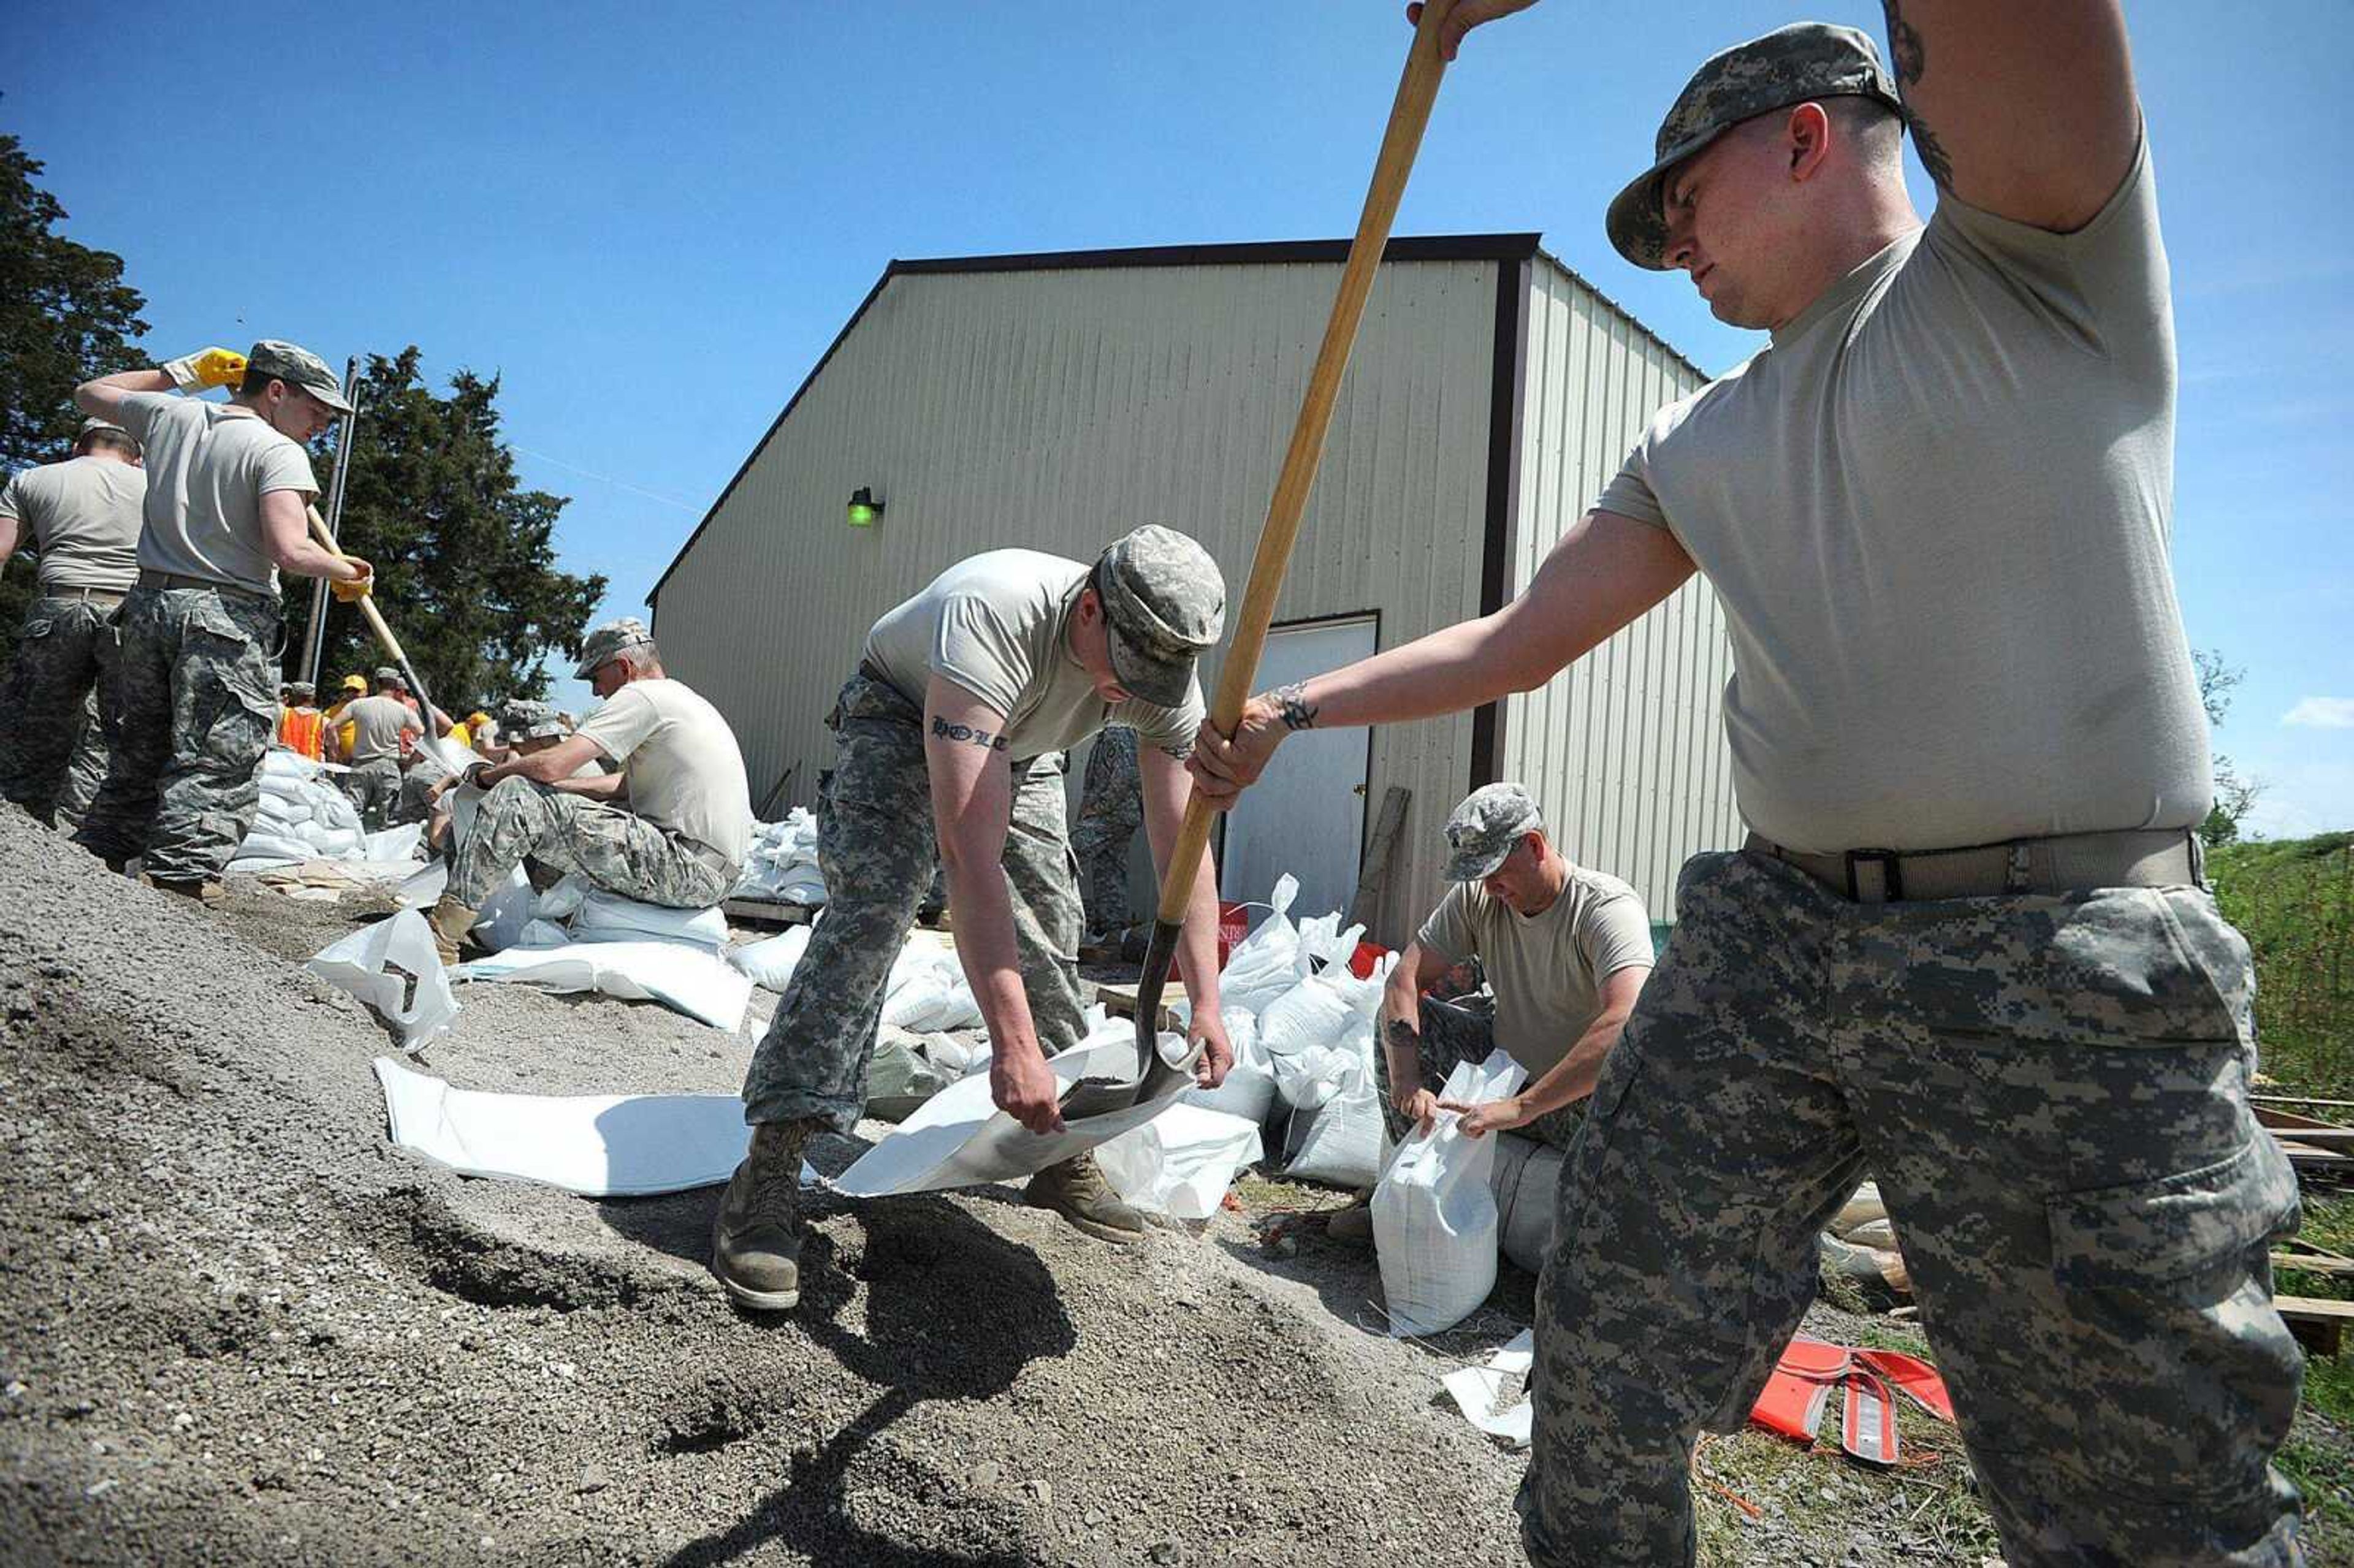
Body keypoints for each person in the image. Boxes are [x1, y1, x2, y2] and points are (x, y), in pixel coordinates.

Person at [1194, 7, 2300, 1561]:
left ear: (1802, 134)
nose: (1671, 250)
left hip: (2056, 953)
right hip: (1776, 941)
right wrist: (1290, 706)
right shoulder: (1696, 436)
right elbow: (1519, 636)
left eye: (1682, 203)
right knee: (1604, 1345)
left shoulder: (2036, 263)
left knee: (2133, 1496)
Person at [711, 528, 1238, 1312]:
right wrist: (1010, 1045)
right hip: (905, 711)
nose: (1128, 695)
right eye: (1123, 675)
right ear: (1090, 610)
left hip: (1025, 743)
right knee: (874, 912)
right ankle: (772, 1165)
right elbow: (968, 858)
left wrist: (1205, 999)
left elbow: (1183, 845)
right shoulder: (991, 612)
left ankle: (1060, 1148)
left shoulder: (1165, 677)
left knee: (1054, 930)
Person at [70, 341, 371, 902]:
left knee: (139, 746)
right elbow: (289, 549)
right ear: (277, 391)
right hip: (225, 617)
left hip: (148, 607)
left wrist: (180, 374)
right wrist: (346, 569)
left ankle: (101, 857)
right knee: (219, 754)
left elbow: (89, 393)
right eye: (316, 412)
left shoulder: (171, 414)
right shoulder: (278, 452)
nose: (320, 427)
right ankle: (179, 876)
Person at [424, 618, 752, 961]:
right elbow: (624, 785)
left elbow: (552, 765)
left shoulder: (642, 695)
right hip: (711, 871)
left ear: (624, 667)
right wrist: (562, 789)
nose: (596, 692)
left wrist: (486, 777)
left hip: (686, 867)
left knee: (516, 796)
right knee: (544, 802)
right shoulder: (683, 699)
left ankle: (440, 940)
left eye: (597, 678)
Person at [1376, 783, 1652, 1154]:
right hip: (1506, 1073)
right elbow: (1403, 980)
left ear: (1535, 846)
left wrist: (1523, 1107)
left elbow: (1627, 1019)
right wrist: (1407, 1082)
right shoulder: (1478, 898)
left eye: (1496, 871)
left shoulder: (1604, 908)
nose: (1490, 888)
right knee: (1401, 1022)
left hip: (1572, 1097)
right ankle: (1407, 1191)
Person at [0, 417, 146, 827]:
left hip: (58, 606)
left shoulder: (32, 479)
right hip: (128, 612)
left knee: (34, 726)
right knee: (120, 730)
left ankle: (23, 826)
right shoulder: (156, 486)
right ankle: (96, 837)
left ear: (78, 446)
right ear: (136, 455)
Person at [1072, 724, 1145, 942]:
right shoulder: (1115, 732)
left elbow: (1125, 776)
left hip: (1112, 815)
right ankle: (1111, 933)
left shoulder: (1116, 732)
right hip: (1122, 815)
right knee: (1110, 870)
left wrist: (1100, 806)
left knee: (1065, 857)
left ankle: (1047, 921)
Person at [338, 675, 417, 831]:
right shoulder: (403, 710)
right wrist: (411, 762)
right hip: (388, 766)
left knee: (352, 815)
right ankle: (382, 852)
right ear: (396, 687)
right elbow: (423, 734)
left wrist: (334, 754)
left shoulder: (357, 705)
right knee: (388, 820)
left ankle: (353, 848)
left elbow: (330, 727)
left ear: (376, 684)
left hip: (361, 766)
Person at [275, 681, 325, 761]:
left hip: (284, 763)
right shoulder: (323, 720)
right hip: (310, 767)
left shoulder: (283, 713)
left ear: (294, 697)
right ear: (313, 697)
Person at [324, 673, 367, 759]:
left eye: (356, 691)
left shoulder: (371, 709)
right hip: (341, 761)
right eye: (348, 690)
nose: (351, 694)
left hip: (364, 760)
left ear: (366, 692)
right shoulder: (331, 712)